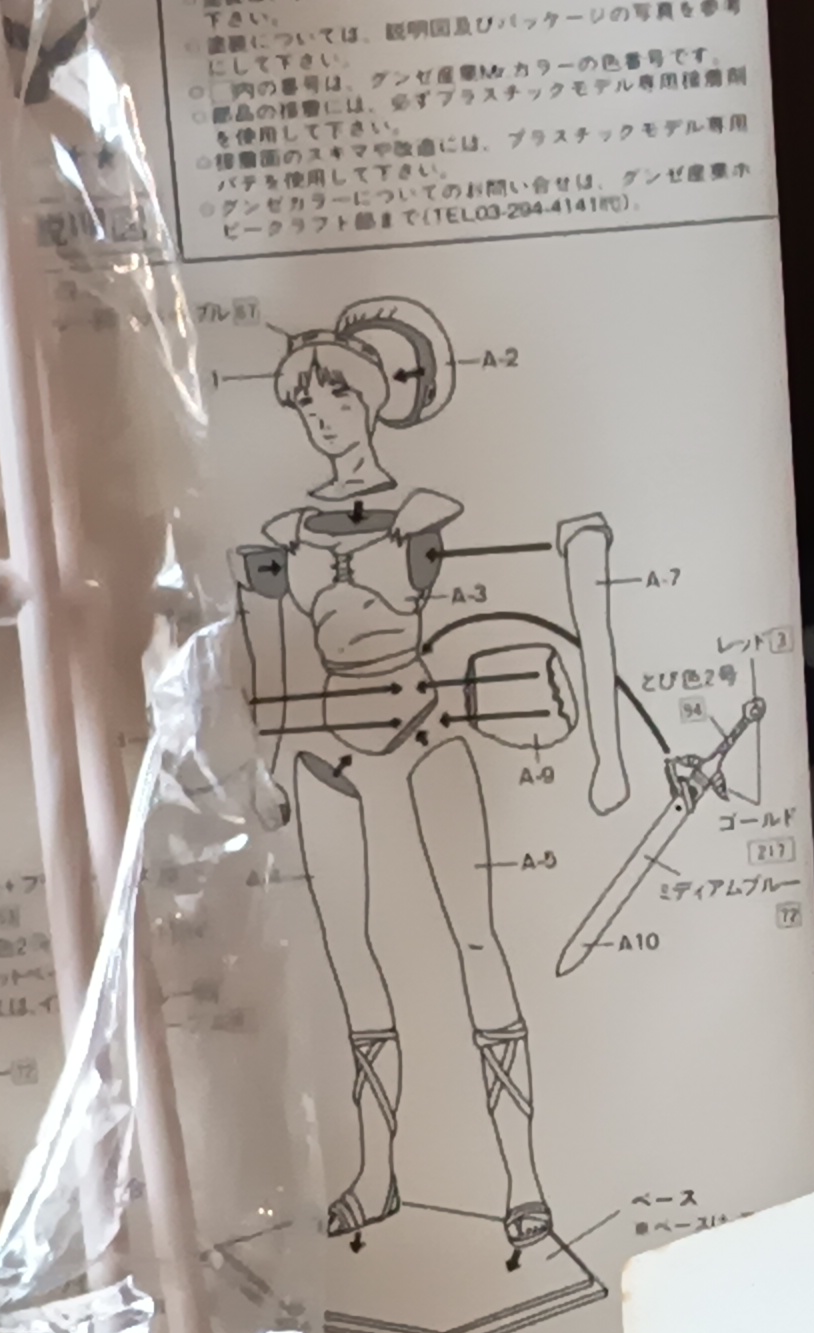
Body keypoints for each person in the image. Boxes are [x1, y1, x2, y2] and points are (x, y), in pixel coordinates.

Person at [235, 299, 572, 1258]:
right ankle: (377, 1171)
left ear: (376, 397)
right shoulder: (283, 531)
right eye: (308, 404)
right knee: (352, 954)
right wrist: (268, 766)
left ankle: (523, 1178)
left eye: (337, 398)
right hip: (326, 751)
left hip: (425, 730)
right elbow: (273, 656)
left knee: (476, 940)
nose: (322, 418)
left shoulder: (424, 514)